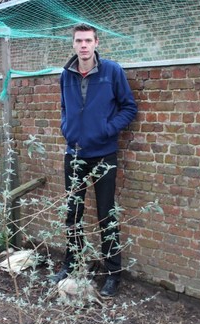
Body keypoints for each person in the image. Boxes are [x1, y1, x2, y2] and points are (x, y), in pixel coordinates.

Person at [51, 24, 138, 297]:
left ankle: (112, 274)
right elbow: (65, 107)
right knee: (72, 214)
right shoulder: (66, 74)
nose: (84, 45)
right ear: (73, 45)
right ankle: (71, 264)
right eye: (79, 41)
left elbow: (129, 107)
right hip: (74, 153)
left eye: (88, 40)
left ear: (96, 42)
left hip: (103, 154)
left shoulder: (112, 71)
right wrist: (67, 129)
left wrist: (106, 130)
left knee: (106, 215)